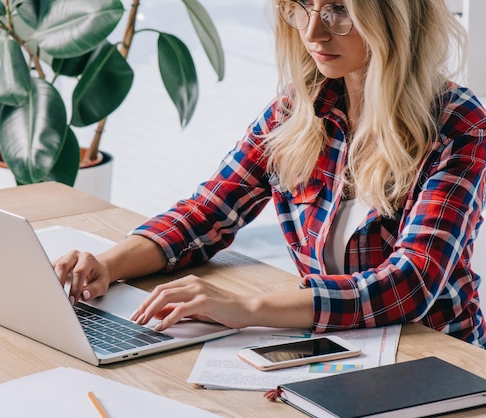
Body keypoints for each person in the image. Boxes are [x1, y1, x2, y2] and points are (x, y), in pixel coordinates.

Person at [53, 0, 486, 349]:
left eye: (338, 10)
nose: (312, 32)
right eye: (302, 6)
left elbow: (411, 282)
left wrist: (247, 307)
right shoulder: (301, 106)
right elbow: (207, 212)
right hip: (335, 344)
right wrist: (106, 266)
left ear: (394, 16)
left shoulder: (460, 125)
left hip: (436, 356)